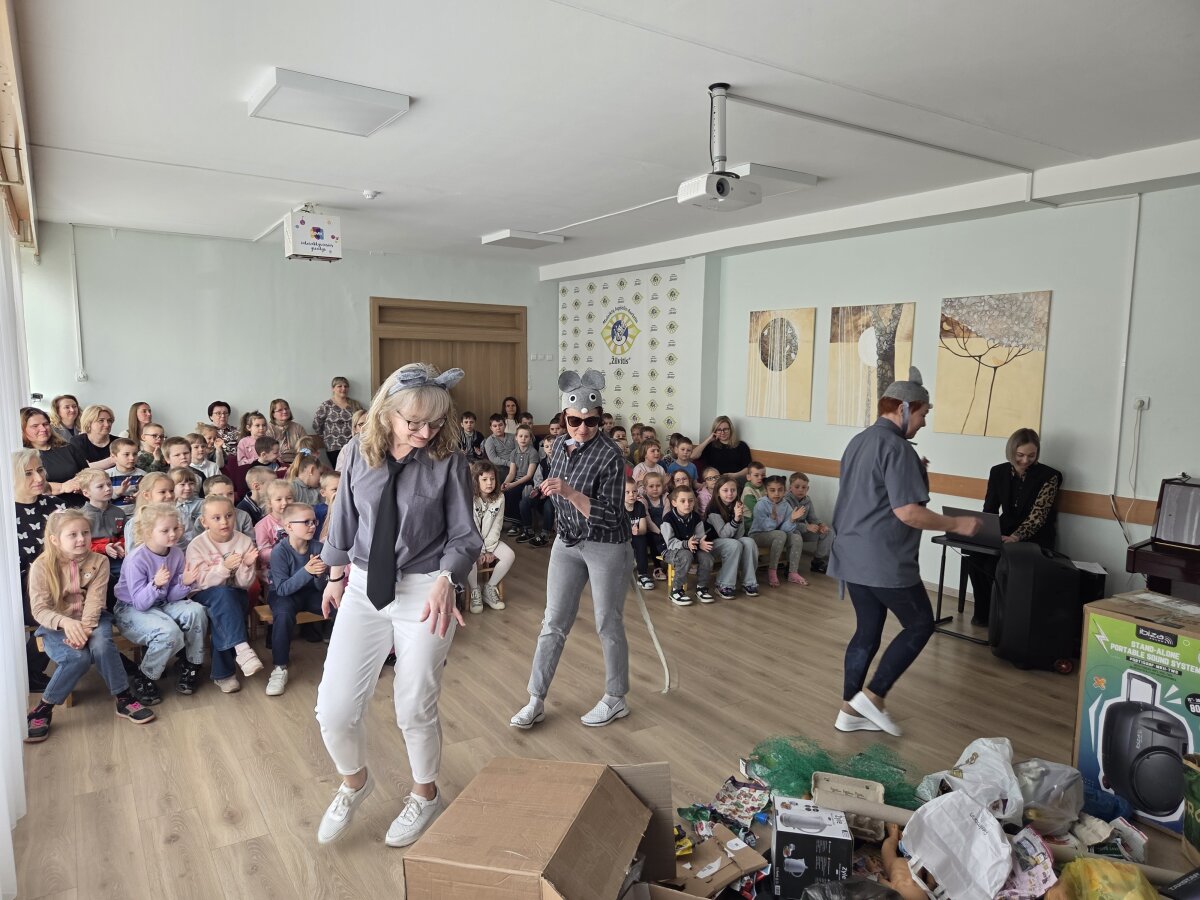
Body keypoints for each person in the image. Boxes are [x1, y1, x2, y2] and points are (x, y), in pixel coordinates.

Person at [314, 362, 480, 849]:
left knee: (413, 705)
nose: (426, 433)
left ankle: (425, 795)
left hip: (428, 588)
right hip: (364, 586)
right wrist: (336, 576)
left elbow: (464, 534)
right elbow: (343, 518)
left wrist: (448, 578)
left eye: (435, 423)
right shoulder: (355, 451)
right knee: (334, 710)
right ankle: (354, 783)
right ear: (387, 413)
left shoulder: (448, 459)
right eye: (414, 423)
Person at [829, 368, 981, 737]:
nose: (924, 422)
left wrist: (915, 472)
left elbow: (874, 493)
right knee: (920, 624)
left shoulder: (860, 441)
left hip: (851, 554)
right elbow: (908, 513)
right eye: (924, 413)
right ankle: (873, 697)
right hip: (882, 559)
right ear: (904, 408)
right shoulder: (897, 448)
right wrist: (957, 524)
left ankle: (850, 709)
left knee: (867, 630)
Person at [510, 370, 633, 731]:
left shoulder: (611, 455)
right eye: (575, 421)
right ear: (564, 417)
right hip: (567, 542)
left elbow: (612, 516)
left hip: (606, 545)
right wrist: (546, 492)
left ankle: (616, 698)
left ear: (600, 419)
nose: (582, 428)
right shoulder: (560, 446)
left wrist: (569, 493)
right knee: (553, 622)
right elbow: (557, 489)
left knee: (607, 622)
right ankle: (535, 699)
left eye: (591, 421)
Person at [25, 510, 156, 742]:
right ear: (55, 539)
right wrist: (66, 622)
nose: (81, 539)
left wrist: (84, 630)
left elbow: (95, 601)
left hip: (93, 619)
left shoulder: (99, 561)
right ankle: (44, 708)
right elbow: (39, 610)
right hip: (56, 624)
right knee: (78, 658)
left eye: (85, 533)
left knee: (102, 646)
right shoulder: (41, 566)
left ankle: (123, 697)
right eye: (72, 534)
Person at [966, 428, 1063, 626]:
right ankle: (984, 613)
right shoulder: (998, 471)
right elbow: (990, 508)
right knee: (975, 558)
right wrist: (985, 532)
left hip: (1035, 535)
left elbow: (1038, 517)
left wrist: (1016, 537)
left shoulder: (1050, 476)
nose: (1025, 460)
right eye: (1020, 455)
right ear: (1011, 451)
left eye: (1031, 455)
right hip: (1003, 531)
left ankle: (1003, 617)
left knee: (994, 565)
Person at [113, 503, 207, 702]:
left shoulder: (176, 553)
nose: (173, 534)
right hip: (131, 608)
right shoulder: (136, 559)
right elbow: (140, 603)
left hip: (162, 603)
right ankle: (144, 676)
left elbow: (172, 596)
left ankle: (190, 664)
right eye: (165, 530)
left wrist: (184, 583)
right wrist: (155, 584)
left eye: (175, 528)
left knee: (196, 611)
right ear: (148, 532)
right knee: (169, 632)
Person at [185, 495, 264, 692]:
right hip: (202, 595)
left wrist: (246, 566)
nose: (224, 522)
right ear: (204, 522)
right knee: (224, 599)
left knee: (227, 605)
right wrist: (224, 568)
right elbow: (200, 582)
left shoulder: (244, 541)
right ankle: (241, 650)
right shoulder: (197, 545)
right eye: (216, 518)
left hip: (234, 593)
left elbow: (244, 584)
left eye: (229, 516)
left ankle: (225, 673)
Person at [13, 450, 68, 691]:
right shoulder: (6, 514)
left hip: (64, 578)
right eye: (28, 473)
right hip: (21, 589)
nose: (38, 478)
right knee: (54, 612)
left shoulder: (56, 507)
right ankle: (29, 672)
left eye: (40, 470)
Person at [266, 502, 328, 696]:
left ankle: (349, 660)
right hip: (283, 594)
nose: (312, 526)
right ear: (289, 526)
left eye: (314, 521)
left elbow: (320, 587)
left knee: (339, 607)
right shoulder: (279, 551)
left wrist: (319, 576)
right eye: (306, 522)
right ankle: (279, 667)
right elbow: (282, 589)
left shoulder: (318, 547)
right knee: (283, 614)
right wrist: (307, 571)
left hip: (310, 593)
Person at [467, 460, 511, 613]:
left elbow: (497, 525)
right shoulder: (470, 498)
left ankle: (489, 587)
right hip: (471, 540)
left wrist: (489, 550)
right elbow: (471, 527)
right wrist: (481, 551)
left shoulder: (500, 497)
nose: (489, 483)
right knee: (469, 557)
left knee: (509, 555)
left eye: (492, 479)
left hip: (490, 540)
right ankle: (475, 590)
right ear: (476, 480)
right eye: (484, 479)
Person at [661, 482, 715, 606]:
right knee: (686, 556)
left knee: (707, 557)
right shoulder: (668, 519)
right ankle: (676, 590)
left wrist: (700, 543)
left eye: (690, 501)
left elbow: (699, 536)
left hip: (691, 548)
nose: (687, 504)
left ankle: (701, 587)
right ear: (674, 503)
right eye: (683, 501)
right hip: (670, 550)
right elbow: (670, 542)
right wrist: (686, 544)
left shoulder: (695, 517)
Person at [707, 476, 760, 598]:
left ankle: (749, 582)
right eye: (725, 490)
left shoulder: (737, 505)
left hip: (731, 541)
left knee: (749, 541)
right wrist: (736, 519)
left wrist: (739, 517)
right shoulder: (713, 508)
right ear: (718, 492)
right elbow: (723, 534)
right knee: (734, 544)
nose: (730, 493)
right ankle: (723, 584)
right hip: (712, 544)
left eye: (733, 490)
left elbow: (739, 534)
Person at [21, 406, 88, 503]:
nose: (43, 429)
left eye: (45, 424)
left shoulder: (68, 448)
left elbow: (88, 473)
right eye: (35, 426)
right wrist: (62, 487)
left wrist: (81, 484)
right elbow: (25, 486)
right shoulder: (22, 457)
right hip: (47, 508)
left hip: (81, 504)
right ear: (22, 430)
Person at [749, 475, 806, 587]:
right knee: (780, 535)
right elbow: (765, 527)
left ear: (785, 491)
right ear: (766, 491)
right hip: (758, 535)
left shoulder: (786, 505)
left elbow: (785, 530)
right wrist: (772, 518)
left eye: (780, 490)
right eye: (772, 490)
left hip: (778, 535)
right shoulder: (760, 504)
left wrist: (791, 519)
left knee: (796, 537)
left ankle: (792, 572)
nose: (776, 493)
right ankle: (772, 571)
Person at [785, 472, 833, 575]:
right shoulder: (785, 500)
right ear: (790, 488)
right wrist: (806, 527)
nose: (801, 490)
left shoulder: (807, 500)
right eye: (797, 487)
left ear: (808, 489)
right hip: (790, 530)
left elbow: (812, 518)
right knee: (796, 535)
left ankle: (817, 562)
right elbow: (787, 523)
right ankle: (790, 566)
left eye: (804, 487)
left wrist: (820, 525)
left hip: (804, 529)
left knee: (828, 532)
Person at [312, 376, 364, 469]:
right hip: (333, 446)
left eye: (346, 386)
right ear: (333, 388)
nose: (343, 388)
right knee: (339, 471)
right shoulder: (326, 405)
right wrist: (326, 437)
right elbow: (316, 424)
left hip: (353, 444)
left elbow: (363, 421)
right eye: (339, 386)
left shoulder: (355, 404)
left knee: (355, 469)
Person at [694, 416, 753, 480]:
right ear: (715, 431)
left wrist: (735, 475)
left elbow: (749, 468)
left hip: (735, 480)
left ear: (730, 430)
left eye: (725, 429)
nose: (722, 432)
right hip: (715, 480)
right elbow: (692, 456)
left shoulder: (742, 446)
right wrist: (709, 439)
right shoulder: (710, 445)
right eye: (719, 430)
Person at [70, 404, 118, 469]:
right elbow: (82, 468)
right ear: (88, 423)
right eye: (101, 420)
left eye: (109, 420)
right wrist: (113, 460)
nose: (107, 424)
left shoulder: (119, 442)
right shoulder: (78, 441)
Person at [267, 398, 307, 466]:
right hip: (276, 463)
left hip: (298, 463)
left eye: (286, 408)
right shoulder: (268, 429)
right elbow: (267, 452)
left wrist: (298, 462)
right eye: (280, 410)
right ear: (273, 414)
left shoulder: (298, 427)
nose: (285, 411)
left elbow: (307, 447)